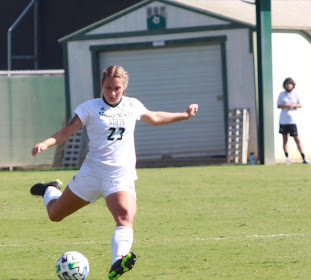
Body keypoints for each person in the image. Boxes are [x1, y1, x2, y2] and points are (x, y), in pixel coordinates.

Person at [30, 65, 199, 280]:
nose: (112, 93)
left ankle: (117, 262)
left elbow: (155, 117)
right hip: (91, 175)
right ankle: (50, 189)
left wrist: (184, 115)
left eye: (117, 88)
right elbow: (66, 131)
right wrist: (45, 143)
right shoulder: (89, 108)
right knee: (55, 215)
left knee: (125, 216)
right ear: (102, 85)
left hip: (120, 177)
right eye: (108, 87)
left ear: (124, 88)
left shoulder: (132, 106)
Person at [277, 77, 311, 165]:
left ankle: (304, 157)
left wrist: (293, 105)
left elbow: (300, 104)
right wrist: (286, 106)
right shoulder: (282, 94)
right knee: (285, 139)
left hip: (292, 120)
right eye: (287, 84)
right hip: (283, 120)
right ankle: (287, 158)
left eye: (290, 84)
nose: (288, 86)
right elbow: (278, 105)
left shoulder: (295, 94)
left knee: (297, 139)